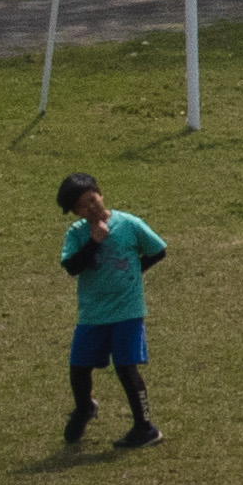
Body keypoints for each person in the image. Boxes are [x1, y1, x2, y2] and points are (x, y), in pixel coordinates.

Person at [54, 172, 167, 451]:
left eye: (93, 199)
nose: (91, 208)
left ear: (100, 193)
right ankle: (84, 408)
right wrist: (94, 242)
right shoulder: (77, 234)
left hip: (127, 311)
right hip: (93, 313)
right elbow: (72, 267)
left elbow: (158, 249)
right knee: (79, 367)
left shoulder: (128, 224)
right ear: (75, 212)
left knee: (126, 367)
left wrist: (135, 274)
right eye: (82, 206)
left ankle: (145, 427)